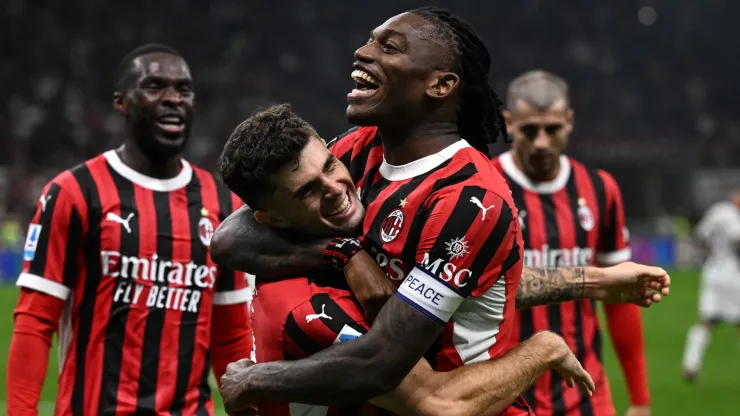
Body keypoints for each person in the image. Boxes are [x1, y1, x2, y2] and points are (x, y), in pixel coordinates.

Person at [212, 7, 669, 413]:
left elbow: (383, 364)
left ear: (440, 84)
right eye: (370, 40)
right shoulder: (358, 149)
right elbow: (231, 237)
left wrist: (252, 378)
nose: (362, 52)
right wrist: (345, 254)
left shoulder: (469, 199)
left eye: (387, 47)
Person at [219, 103, 595, 416]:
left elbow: (452, 285)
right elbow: (439, 404)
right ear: (272, 218)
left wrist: (595, 282)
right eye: (308, 192)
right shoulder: (314, 308)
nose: (335, 190)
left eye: (331, 165)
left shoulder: (323, 250)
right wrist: (543, 349)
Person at [6, 44, 252, 415]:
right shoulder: (73, 193)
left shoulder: (223, 206)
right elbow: (34, 323)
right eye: (155, 86)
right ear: (122, 102)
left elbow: (232, 336)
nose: (173, 99)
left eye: (184, 90)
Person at [492, 70, 650, 416]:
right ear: (508, 122)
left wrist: (639, 399)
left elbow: (619, 299)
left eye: (553, 129)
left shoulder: (600, 190)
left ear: (570, 121)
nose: (541, 142)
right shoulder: (482, 189)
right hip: (502, 396)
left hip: (587, 395)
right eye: (529, 130)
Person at [681, 189, 740, 382]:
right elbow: (737, 240)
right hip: (732, 273)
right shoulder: (731, 216)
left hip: (712, 271)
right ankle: (690, 366)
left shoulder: (716, 210)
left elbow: (700, 235)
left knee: (707, 320)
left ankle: (690, 365)